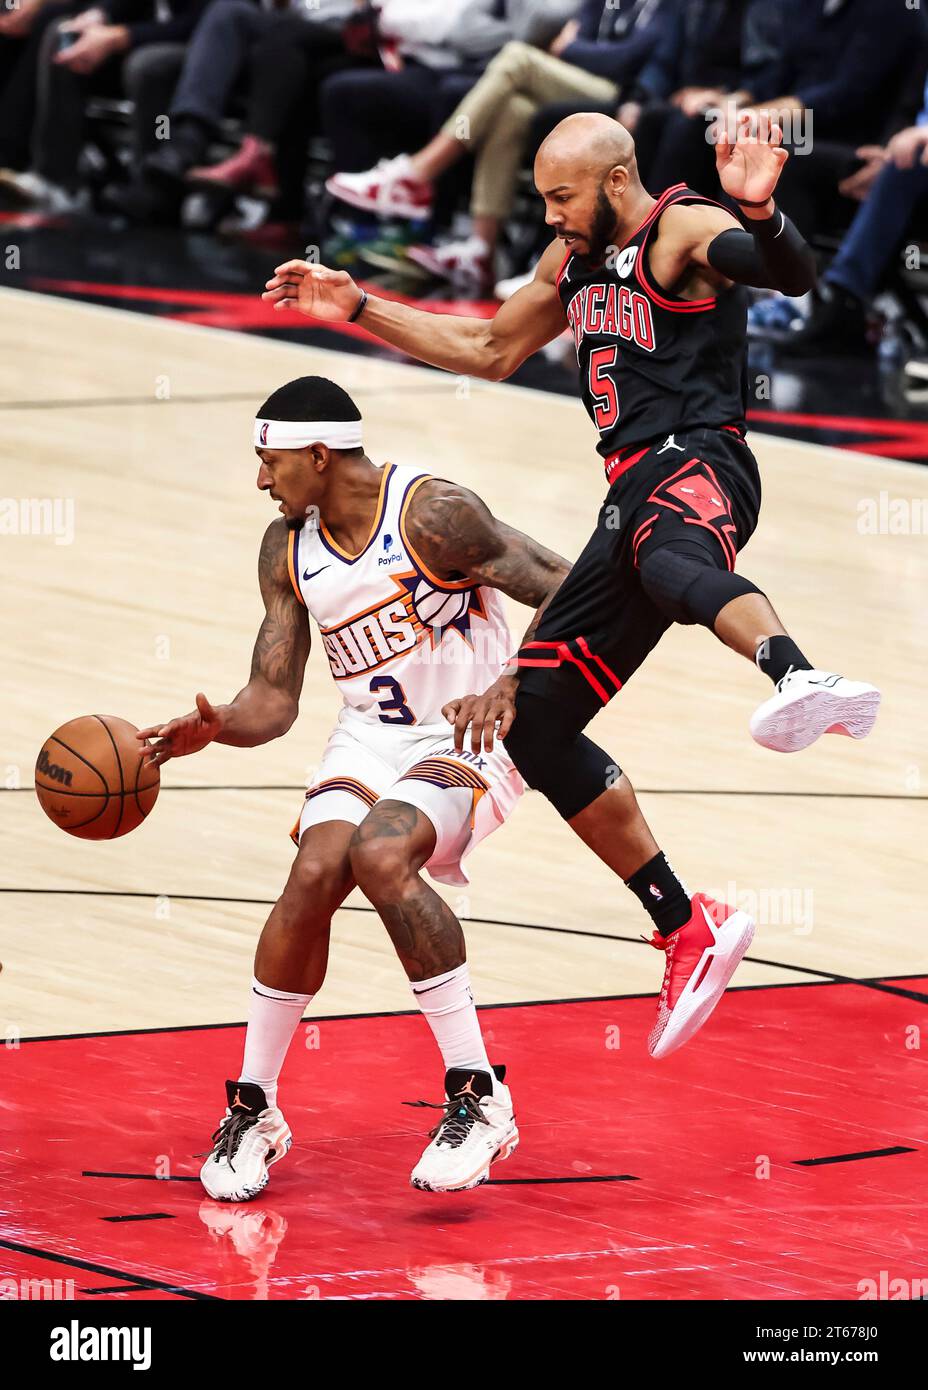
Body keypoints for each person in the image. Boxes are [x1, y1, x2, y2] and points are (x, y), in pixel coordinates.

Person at [262, 113, 881, 1060]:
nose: (552, 217)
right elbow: (487, 350)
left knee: (667, 557)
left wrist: (761, 211)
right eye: (545, 199)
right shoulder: (571, 263)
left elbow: (788, 275)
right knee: (536, 727)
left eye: (562, 197)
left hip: (703, 457)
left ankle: (794, 675)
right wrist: (359, 308)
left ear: (618, 179)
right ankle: (687, 925)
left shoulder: (678, 227)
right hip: (629, 486)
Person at [141, 374, 570, 1198]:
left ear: (316, 453)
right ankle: (255, 1107)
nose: (260, 480)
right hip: (367, 739)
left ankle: (480, 1096)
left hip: (468, 730)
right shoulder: (286, 546)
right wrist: (215, 727)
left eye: (269, 462)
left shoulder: (432, 513)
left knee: (381, 854)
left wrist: (511, 683)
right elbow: (273, 698)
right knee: (313, 871)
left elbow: (567, 585)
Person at [324, 0, 667, 288]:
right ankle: (481, 249)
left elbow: (626, 59)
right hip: (577, 79)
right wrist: (578, 50)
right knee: (512, 110)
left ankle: (419, 173)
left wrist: (573, 48)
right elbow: (572, 41)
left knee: (516, 57)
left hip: (624, 96)